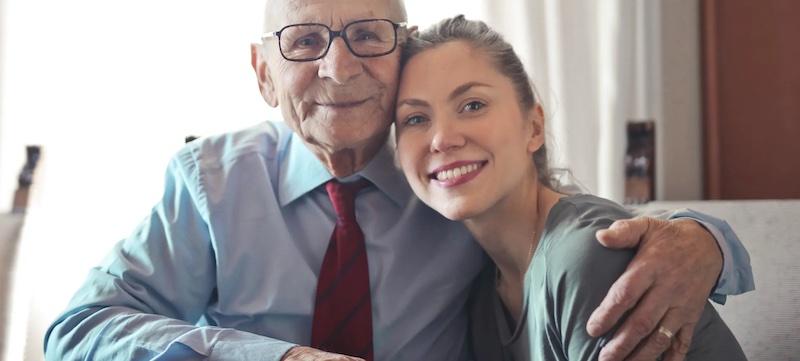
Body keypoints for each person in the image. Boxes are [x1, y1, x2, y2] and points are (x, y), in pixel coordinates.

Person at [43, 1, 753, 360]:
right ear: (263, 73)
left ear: (398, 55)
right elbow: (76, 328)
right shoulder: (209, 186)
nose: (340, 67)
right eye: (304, 41)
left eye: (368, 34)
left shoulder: (450, 186)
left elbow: (574, 231)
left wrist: (705, 239)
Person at [393, 15, 747, 361]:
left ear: (533, 127)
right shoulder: (484, 290)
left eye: (472, 105)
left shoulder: (587, 256)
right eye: (415, 118)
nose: (441, 139)